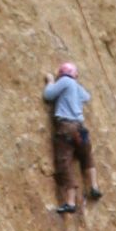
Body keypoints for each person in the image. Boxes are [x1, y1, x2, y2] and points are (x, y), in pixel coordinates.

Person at [43, 62, 101, 214]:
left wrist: (50, 81)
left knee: (64, 161)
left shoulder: (65, 81)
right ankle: (94, 186)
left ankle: (70, 202)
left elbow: (48, 95)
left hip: (66, 127)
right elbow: (87, 97)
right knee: (86, 155)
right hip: (80, 127)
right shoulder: (76, 86)